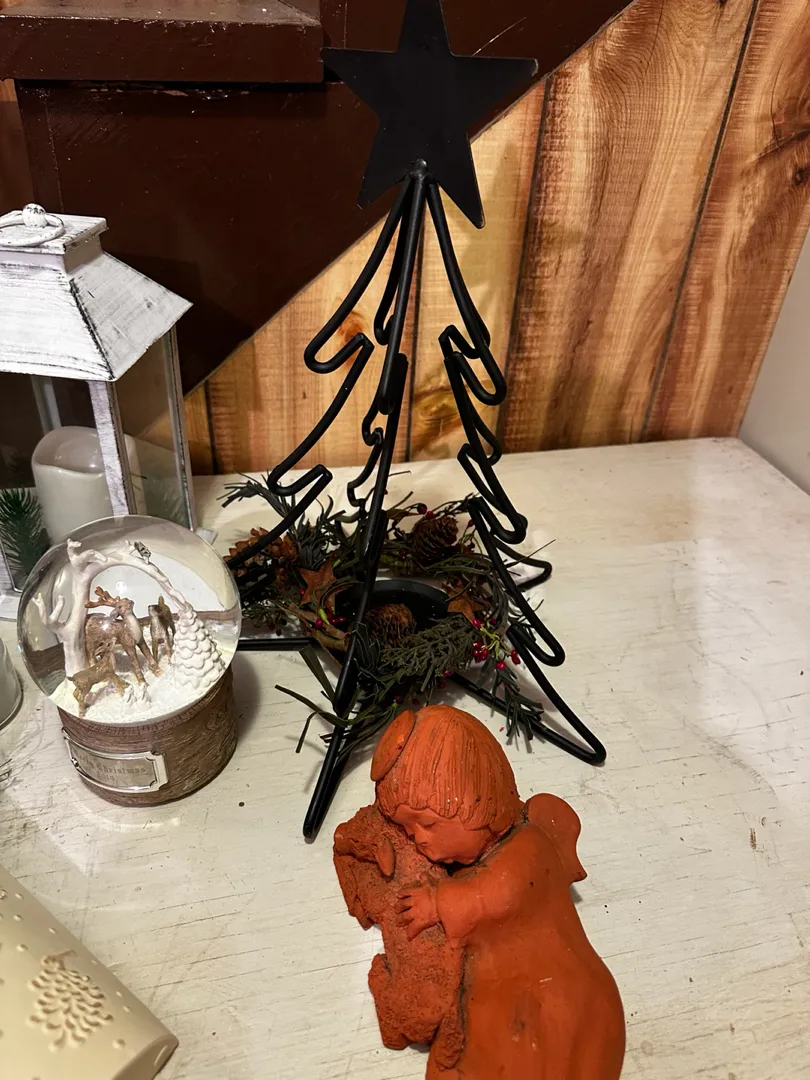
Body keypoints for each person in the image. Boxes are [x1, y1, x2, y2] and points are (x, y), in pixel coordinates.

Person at [371, 704, 625, 1080]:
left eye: (427, 824)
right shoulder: (472, 860)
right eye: (409, 830)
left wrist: (437, 902)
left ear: (475, 803)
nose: (418, 839)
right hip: (502, 995)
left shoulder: (527, 846)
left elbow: (494, 897)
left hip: (550, 996)